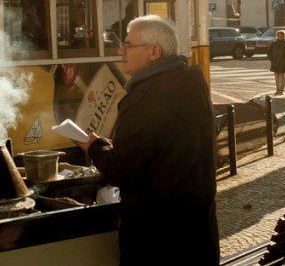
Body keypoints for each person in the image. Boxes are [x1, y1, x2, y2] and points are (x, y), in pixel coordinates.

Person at [76, 15, 218, 264]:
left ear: (154, 52)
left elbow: (121, 171)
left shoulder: (145, 99)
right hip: (197, 236)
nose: (121, 51)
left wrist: (95, 147)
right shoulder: (192, 85)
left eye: (129, 45)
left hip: (157, 241)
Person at [268, 29, 285, 95]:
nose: (280, 37)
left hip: (283, 62)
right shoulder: (273, 44)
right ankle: (278, 89)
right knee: (276, 76)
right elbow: (269, 53)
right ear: (277, 36)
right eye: (279, 35)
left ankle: (281, 89)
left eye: (282, 35)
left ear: (284, 36)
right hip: (275, 62)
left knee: (281, 76)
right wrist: (272, 60)